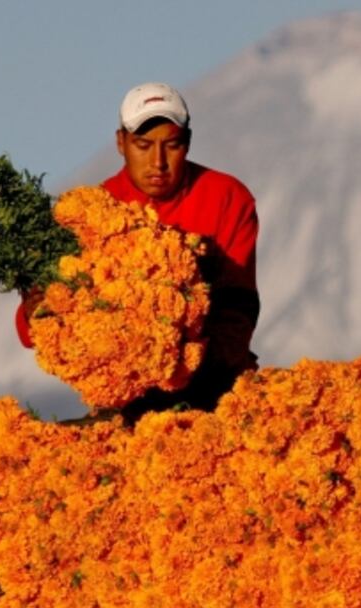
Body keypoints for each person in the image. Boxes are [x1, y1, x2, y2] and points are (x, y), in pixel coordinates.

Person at [15, 82, 259, 415]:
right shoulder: (90, 213)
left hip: (216, 387)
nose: (157, 162)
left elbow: (239, 305)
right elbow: (33, 328)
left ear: (187, 143)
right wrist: (37, 310)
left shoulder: (226, 197)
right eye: (143, 145)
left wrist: (181, 360)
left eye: (170, 145)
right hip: (125, 403)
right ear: (121, 143)